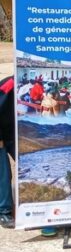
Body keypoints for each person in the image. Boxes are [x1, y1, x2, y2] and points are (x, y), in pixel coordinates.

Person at [0, 76, 15, 229]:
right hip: (2, 135)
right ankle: (4, 212)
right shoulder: (8, 85)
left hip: (17, 133)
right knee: (4, 173)